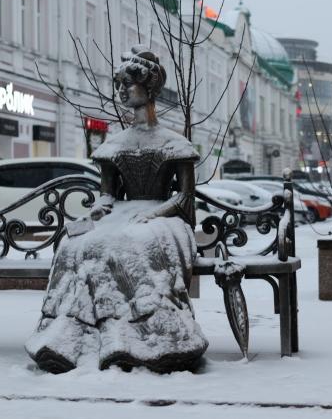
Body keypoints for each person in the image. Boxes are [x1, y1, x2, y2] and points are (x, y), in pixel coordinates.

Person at [25, 47, 208, 374]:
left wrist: (155, 214)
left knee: (129, 244)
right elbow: (108, 196)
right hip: (122, 214)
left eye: (129, 83)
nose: (121, 89)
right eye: (118, 83)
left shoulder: (173, 142)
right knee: (77, 245)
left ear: (149, 88)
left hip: (163, 219)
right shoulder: (115, 143)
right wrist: (96, 211)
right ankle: (69, 339)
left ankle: (146, 339)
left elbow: (184, 197)